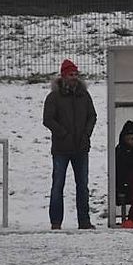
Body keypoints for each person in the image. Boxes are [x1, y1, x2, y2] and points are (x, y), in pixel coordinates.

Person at [42, 59, 97, 230]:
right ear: (63, 76)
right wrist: (63, 134)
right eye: (71, 74)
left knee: (83, 186)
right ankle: (56, 222)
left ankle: (84, 221)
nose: (74, 77)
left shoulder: (84, 95)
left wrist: (86, 134)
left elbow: (92, 116)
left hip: (81, 147)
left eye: (75, 74)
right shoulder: (54, 97)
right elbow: (48, 119)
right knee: (58, 185)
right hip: (61, 149)